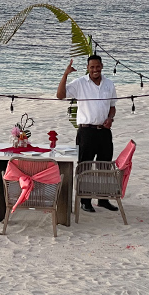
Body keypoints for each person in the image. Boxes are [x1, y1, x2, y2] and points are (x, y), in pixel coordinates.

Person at [56, 54, 119, 213]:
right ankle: (85, 201)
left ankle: (103, 200)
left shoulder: (109, 84)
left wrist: (110, 118)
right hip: (86, 132)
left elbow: (112, 106)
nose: (95, 70)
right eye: (92, 67)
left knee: (104, 166)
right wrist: (65, 75)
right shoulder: (80, 83)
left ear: (102, 66)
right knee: (84, 166)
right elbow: (60, 95)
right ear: (87, 68)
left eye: (97, 66)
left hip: (104, 132)